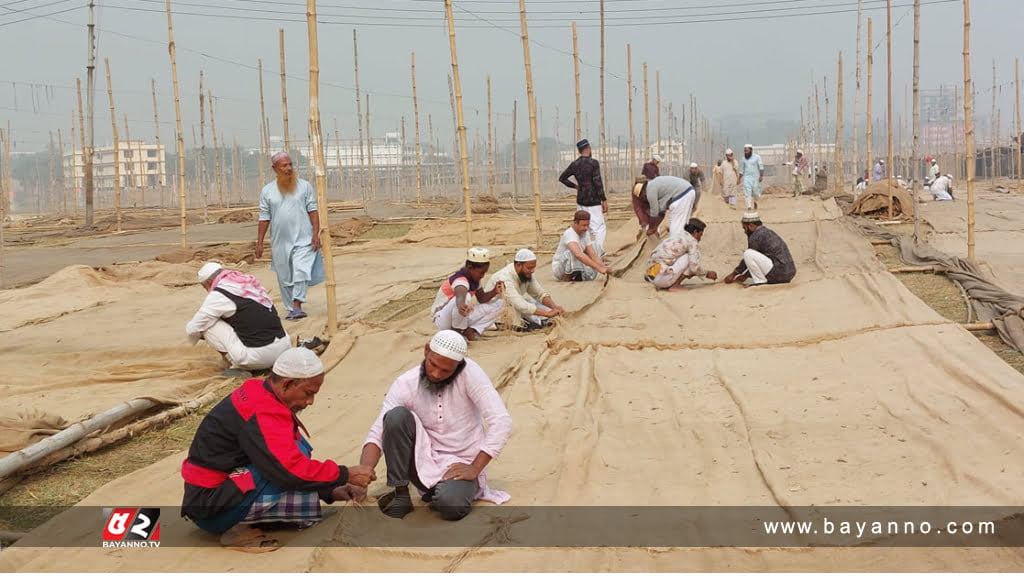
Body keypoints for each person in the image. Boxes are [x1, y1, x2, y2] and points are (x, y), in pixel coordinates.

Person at [180, 347, 376, 553]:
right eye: (308, 393)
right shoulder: (262, 411)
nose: (310, 401)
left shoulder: (260, 391)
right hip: (211, 511)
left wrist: (329, 490)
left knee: (293, 451)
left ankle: (251, 514)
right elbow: (289, 471)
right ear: (287, 384)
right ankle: (235, 529)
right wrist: (345, 474)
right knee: (290, 463)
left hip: (215, 495)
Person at [359, 330, 513, 521]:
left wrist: (474, 467)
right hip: (423, 459)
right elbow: (377, 434)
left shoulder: (470, 374)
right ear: (426, 351)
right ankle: (401, 494)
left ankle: (446, 491)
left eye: (446, 370)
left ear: (458, 367)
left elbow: (501, 420)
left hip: (462, 463)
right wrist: (363, 473)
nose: (435, 373)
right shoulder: (406, 384)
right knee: (395, 417)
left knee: (451, 506)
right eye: (433, 364)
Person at [186, 262, 293, 378]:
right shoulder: (249, 284)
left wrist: (198, 336)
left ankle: (237, 366)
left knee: (207, 325)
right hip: (284, 349)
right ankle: (260, 360)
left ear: (209, 283)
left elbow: (193, 328)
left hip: (259, 357)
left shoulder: (219, 294)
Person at [256, 152, 325, 321]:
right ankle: (291, 308)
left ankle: (297, 305)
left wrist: (315, 233)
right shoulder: (267, 191)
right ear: (275, 169)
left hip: (304, 238)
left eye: (290, 164)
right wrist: (259, 243)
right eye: (284, 166)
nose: (288, 169)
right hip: (280, 241)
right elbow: (264, 217)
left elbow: (313, 211)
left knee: (301, 270)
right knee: (285, 276)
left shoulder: (305, 186)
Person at [432, 247, 505, 341]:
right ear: (470, 268)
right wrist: (461, 306)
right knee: (466, 297)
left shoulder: (475, 280)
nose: (482, 276)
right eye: (481, 272)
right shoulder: (460, 281)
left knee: (500, 304)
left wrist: (494, 291)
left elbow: (482, 298)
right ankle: (457, 332)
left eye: (485, 272)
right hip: (442, 320)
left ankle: (471, 330)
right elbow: (460, 296)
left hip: (461, 316)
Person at [484, 249, 565, 331]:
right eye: (530, 268)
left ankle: (537, 322)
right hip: (495, 314)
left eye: (534, 267)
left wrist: (555, 308)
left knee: (532, 304)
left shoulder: (527, 274)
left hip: (516, 307)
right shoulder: (504, 278)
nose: (533, 271)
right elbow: (519, 304)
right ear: (519, 265)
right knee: (522, 309)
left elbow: (539, 293)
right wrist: (547, 314)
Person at [558, 138, 608, 251]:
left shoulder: (575, 164)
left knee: (583, 227)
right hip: (594, 200)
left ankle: (584, 251)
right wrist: (603, 199)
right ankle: (597, 252)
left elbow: (562, 178)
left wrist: (575, 186)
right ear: (589, 148)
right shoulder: (593, 163)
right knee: (599, 228)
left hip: (581, 199)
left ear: (579, 151)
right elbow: (597, 182)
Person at [644, 218, 718, 292]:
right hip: (660, 279)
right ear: (695, 232)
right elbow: (694, 267)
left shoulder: (677, 235)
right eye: (700, 234)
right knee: (692, 258)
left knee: (683, 257)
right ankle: (675, 285)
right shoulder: (692, 241)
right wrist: (706, 273)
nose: (700, 238)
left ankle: (669, 280)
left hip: (651, 276)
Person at [724, 212, 797, 286]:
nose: (745, 232)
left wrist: (733, 274)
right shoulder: (768, 232)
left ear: (750, 226)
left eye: (744, 228)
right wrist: (745, 276)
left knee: (748, 253)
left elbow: (748, 259)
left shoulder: (756, 235)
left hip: (779, 273)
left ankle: (760, 281)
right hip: (789, 274)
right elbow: (759, 261)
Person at [552, 210, 612, 282]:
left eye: (587, 225)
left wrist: (603, 267)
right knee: (572, 253)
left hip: (577, 264)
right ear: (575, 223)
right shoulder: (569, 234)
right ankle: (566, 277)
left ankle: (580, 275)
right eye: (583, 225)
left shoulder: (585, 233)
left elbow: (593, 255)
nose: (586, 228)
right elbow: (578, 254)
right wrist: (598, 268)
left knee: (595, 246)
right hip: (560, 268)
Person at [633, 175, 697, 240]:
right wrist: (654, 228)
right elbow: (661, 213)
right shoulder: (653, 186)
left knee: (675, 227)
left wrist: (651, 229)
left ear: (642, 193)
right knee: (683, 224)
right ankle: (686, 244)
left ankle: (675, 246)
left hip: (682, 195)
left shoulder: (649, 191)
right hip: (689, 191)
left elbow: (654, 212)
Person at [739, 144, 764, 210]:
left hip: (756, 178)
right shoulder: (743, 159)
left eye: (747, 150)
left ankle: (755, 202)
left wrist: (761, 176)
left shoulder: (757, 157)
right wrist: (739, 179)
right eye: (745, 151)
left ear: (751, 150)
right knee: (747, 192)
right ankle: (749, 206)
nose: (745, 152)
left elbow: (761, 167)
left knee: (756, 193)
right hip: (747, 178)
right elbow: (741, 169)